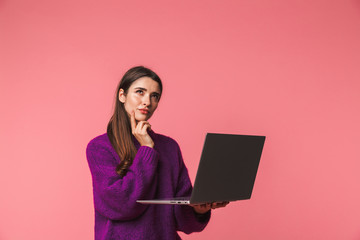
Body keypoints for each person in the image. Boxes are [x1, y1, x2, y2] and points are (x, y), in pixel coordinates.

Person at [86, 66, 228, 240]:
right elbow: (121, 205)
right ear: (122, 95)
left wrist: (199, 208)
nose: (147, 101)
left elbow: (182, 219)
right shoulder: (100, 147)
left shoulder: (169, 147)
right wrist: (146, 149)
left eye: (155, 96)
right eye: (140, 92)